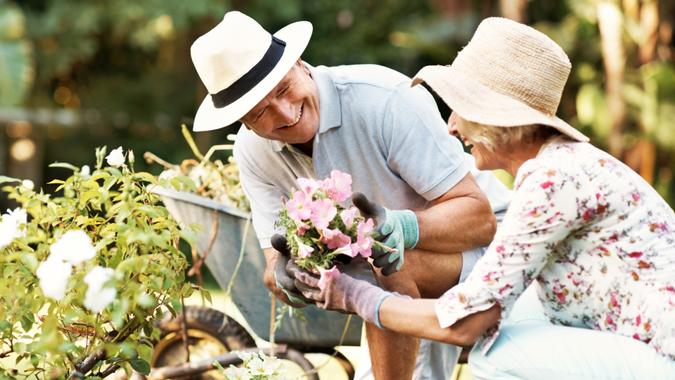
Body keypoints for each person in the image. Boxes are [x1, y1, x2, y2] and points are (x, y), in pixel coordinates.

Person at [293, 17, 675, 379]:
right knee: (515, 317)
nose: (451, 124)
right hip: (643, 348)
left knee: (497, 353)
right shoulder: (556, 169)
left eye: (461, 107)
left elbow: (466, 323)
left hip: (662, 358)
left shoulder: (553, 181)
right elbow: (484, 296)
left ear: (497, 117)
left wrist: (357, 296)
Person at [189, 11, 511, 380]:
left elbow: (480, 219)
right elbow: (272, 265)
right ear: (244, 122)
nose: (284, 113)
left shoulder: (384, 99)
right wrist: (288, 274)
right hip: (394, 277)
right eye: (260, 112)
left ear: (300, 64)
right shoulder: (252, 152)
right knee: (380, 260)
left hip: (494, 253)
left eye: (282, 89)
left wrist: (403, 227)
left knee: (385, 257)